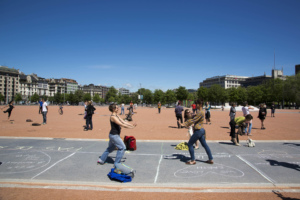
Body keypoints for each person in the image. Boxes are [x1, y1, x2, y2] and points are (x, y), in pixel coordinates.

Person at [98, 103, 137, 177]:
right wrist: (131, 128)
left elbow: (123, 121)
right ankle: (117, 163)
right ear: (113, 109)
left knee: (110, 148)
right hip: (114, 136)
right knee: (122, 147)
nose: (118, 108)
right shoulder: (113, 117)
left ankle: (101, 160)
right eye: (116, 107)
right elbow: (121, 124)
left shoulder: (116, 115)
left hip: (114, 135)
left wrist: (131, 125)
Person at [179, 99, 213, 165]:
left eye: (197, 104)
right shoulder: (200, 112)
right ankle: (210, 159)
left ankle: (193, 160)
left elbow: (193, 120)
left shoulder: (200, 112)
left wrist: (184, 124)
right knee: (205, 145)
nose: (195, 105)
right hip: (201, 130)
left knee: (190, 144)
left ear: (200, 104)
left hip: (198, 131)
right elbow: (195, 118)